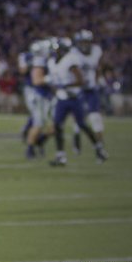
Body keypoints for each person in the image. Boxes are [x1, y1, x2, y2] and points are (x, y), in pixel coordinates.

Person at [47, 38, 107, 166]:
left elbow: (81, 80)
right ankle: (60, 156)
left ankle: (99, 149)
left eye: (57, 49)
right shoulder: (52, 62)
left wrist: (66, 85)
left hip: (74, 98)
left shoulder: (70, 61)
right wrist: (56, 89)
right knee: (57, 126)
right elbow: (54, 81)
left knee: (82, 125)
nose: (55, 52)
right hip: (61, 99)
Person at [71, 30, 104, 153]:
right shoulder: (73, 53)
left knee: (95, 117)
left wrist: (98, 80)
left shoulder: (96, 51)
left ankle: (99, 144)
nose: (84, 44)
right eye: (82, 42)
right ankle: (77, 138)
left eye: (86, 41)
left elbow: (98, 67)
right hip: (79, 89)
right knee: (79, 117)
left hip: (91, 88)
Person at [23, 39, 53, 159]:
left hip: (47, 95)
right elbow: (37, 80)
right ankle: (30, 148)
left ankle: (39, 141)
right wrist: (51, 79)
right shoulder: (39, 61)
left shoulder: (48, 60)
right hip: (39, 95)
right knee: (38, 123)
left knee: (55, 125)